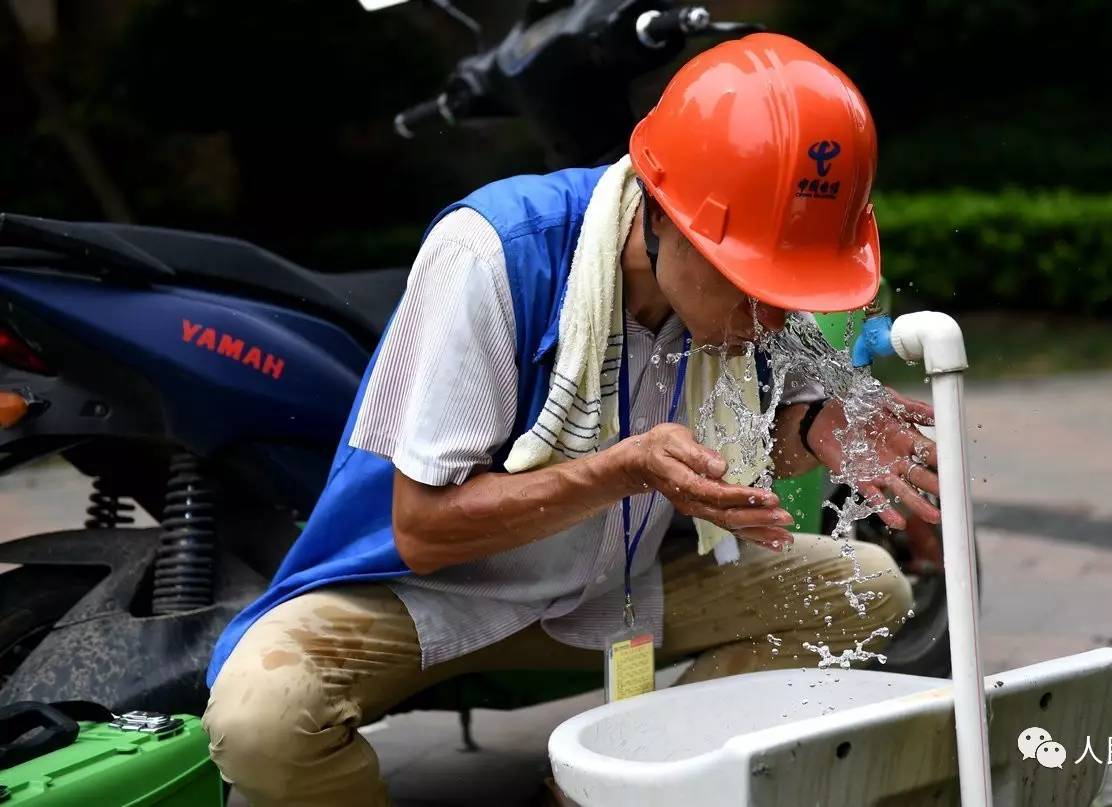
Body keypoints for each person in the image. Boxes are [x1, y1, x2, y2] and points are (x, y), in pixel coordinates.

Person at [202, 33, 941, 806]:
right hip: (422, 596)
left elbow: (746, 435)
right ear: (665, 214)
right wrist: (622, 469)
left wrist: (813, 427)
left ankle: (614, 785)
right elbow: (422, 528)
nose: (772, 315)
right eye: (753, 281)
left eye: (788, 286)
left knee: (868, 588)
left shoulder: (733, 309)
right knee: (263, 719)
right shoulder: (493, 254)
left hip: (609, 588)